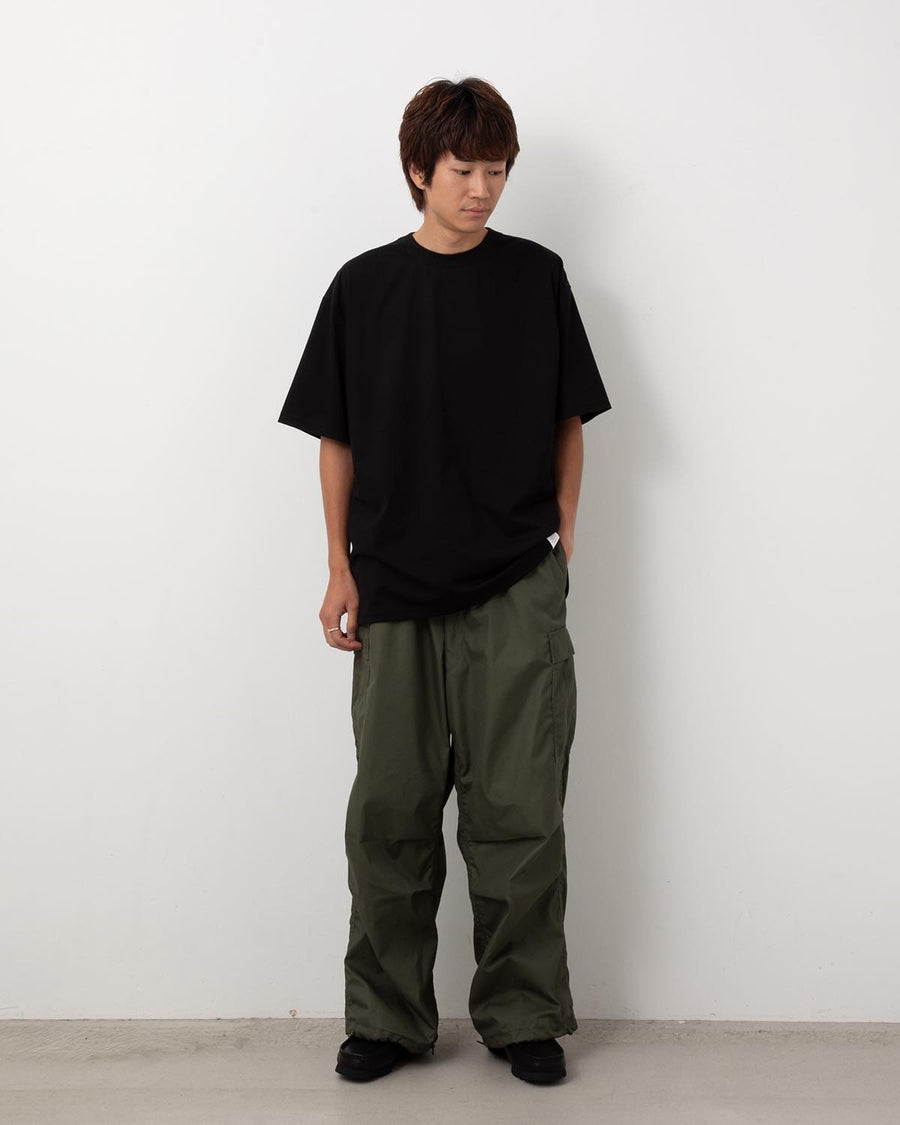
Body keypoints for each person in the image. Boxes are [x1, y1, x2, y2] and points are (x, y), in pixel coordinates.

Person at [277, 76, 612, 1085]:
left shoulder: (536, 278)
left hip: (513, 582)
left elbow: (568, 416)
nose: (482, 189)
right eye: (464, 169)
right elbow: (335, 437)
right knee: (389, 812)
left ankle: (523, 1014)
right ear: (419, 170)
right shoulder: (365, 287)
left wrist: (564, 535)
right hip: (392, 586)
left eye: (497, 170)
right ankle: (386, 1017)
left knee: (521, 810)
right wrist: (337, 565)